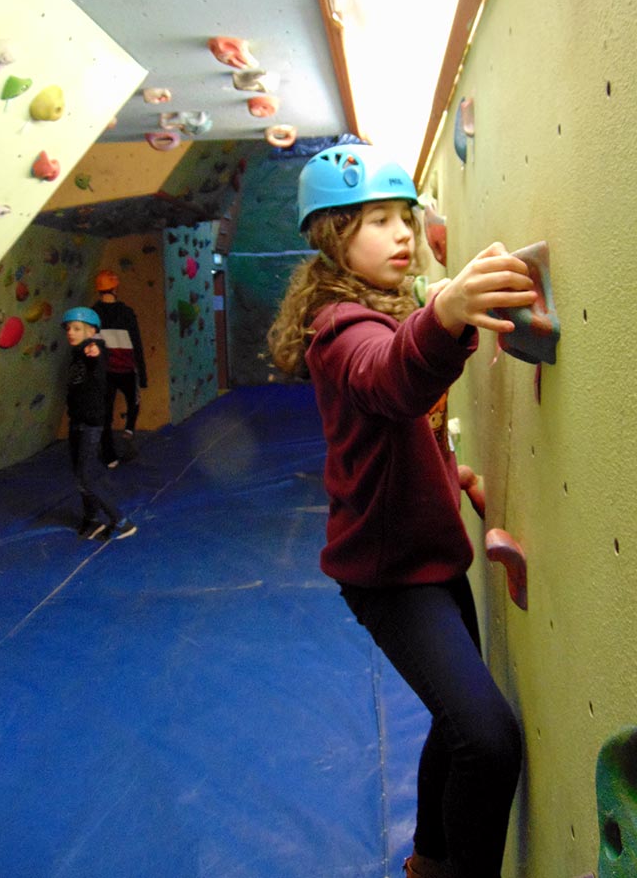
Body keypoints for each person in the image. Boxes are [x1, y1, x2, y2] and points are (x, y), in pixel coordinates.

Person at [267, 144, 537, 878]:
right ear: (332, 234)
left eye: (406, 220)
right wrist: (445, 311)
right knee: (488, 738)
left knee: (457, 730)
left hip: (431, 552)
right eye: (378, 220)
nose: (402, 235)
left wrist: (452, 473)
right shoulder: (342, 328)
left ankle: (429, 859)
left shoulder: (384, 308)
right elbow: (390, 382)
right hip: (391, 575)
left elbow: (398, 432)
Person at [62, 307, 138, 541]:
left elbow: (98, 352)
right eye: (69, 329)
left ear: (92, 331)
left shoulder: (93, 349)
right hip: (77, 420)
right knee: (79, 474)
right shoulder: (76, 353)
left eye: (77, 328)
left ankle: (121, 520)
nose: (71, 333)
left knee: (86, 476)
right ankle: (92, 518)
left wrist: (96, 347)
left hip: (91, 423)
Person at [92, 269, 147, 468]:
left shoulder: (93, 314)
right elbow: (136, 343)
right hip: (125, 368)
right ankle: (129, 429)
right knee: (134, 400)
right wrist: (143, 374)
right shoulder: (126, 312)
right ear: (115, 288)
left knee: (105, 414)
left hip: (104, 371)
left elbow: (89, 345)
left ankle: (110, 457)